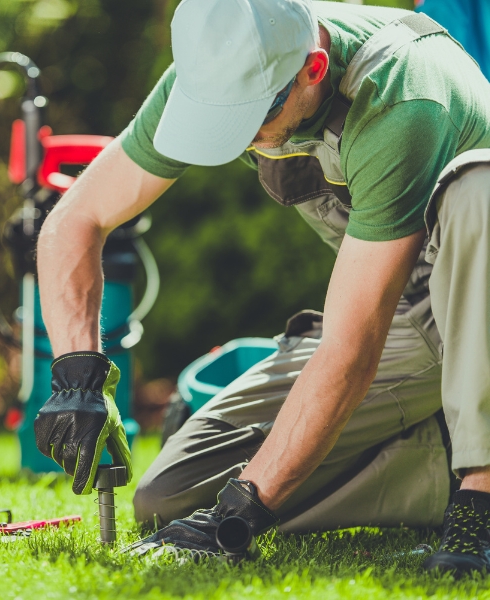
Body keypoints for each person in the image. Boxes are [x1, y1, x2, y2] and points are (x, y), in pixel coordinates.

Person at [33, 0, 490, 574]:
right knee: (170, 497)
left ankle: (480, 495)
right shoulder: (219, 67)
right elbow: (75, 220)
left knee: (482, 189)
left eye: (255, 116)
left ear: (313, 69)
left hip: (476, 318)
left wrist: (247, 508)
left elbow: (350, 352)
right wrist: (77, 373)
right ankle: (446, 452)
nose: (243, 138)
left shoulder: (404, 96)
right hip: (403, 317)